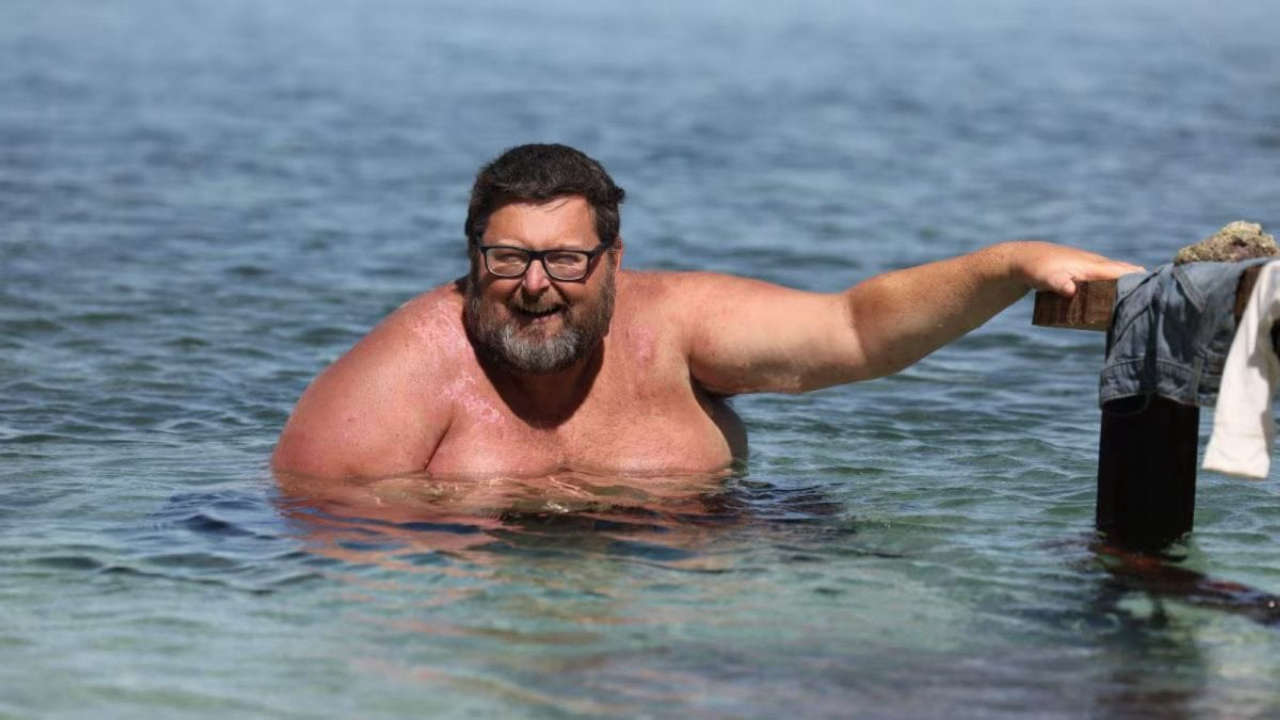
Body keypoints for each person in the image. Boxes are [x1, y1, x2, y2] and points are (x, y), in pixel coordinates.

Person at [272, 143, 1142, 480]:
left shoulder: (675, 326)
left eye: (566, 259)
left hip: (712, 587)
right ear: (473, 262)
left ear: (613, 262)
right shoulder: (406, 372)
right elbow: (317, 524)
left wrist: (1012, 265)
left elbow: (854, 331)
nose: (536, 285)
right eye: (509, 259)